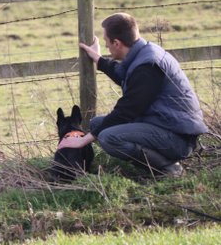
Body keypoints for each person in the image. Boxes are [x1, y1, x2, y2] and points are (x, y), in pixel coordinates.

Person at [58, 13, 208, 177]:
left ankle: (168, 168)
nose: (107, 47)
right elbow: (124, 75)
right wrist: (99, 59)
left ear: (117, 43)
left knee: (108, 136)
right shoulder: (143, 53)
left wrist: (83, 140)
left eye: (107, 43)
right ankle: (156, 162)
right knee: (97, 125)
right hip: (163, 124)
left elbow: (126, 110)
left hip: (178, 138)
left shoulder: (148, 65)